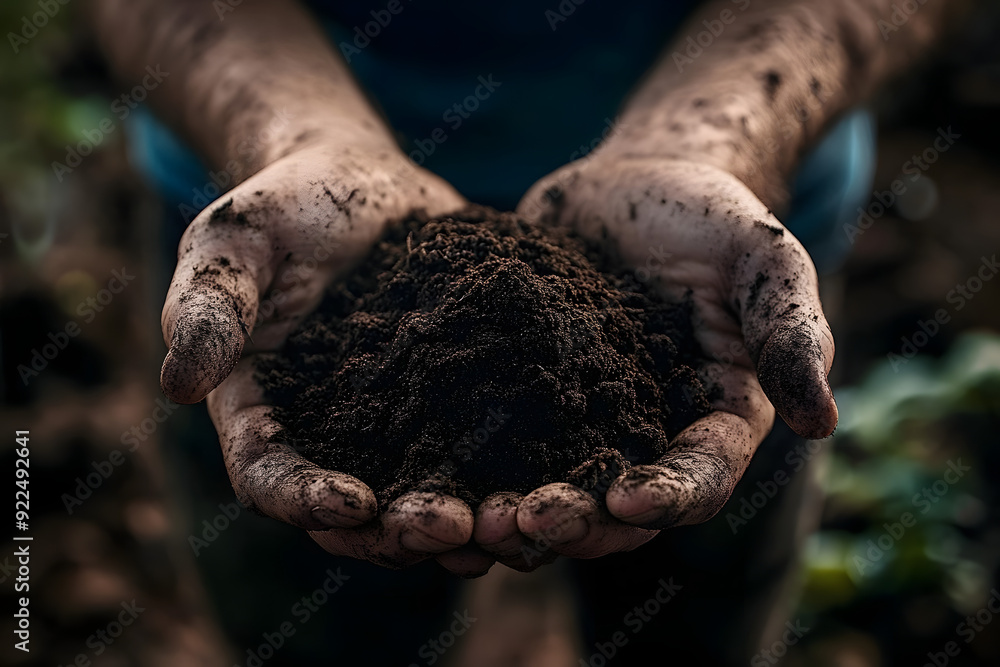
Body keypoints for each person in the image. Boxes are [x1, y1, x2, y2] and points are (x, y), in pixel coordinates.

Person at [86, 0, 972, 663]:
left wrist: (708, 141)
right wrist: (290, 138)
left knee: (690, 630)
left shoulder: (696, 294)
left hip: (715, 264)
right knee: (312, 636)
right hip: (282, 248)